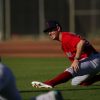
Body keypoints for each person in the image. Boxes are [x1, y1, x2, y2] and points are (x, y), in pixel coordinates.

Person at [31, 20, 100, 89]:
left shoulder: (65, 36)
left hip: (93, 59)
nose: (49, 33)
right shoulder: (63, 45)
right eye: (48, 31)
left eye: (51, 30)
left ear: (58, 28)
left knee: (71, 70)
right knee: (75, 82)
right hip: (91, 62)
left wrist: (76, 59)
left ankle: (51, 83)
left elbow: (81, 42)